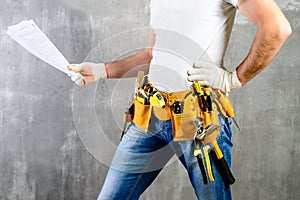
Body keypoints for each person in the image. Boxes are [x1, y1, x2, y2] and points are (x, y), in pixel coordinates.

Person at [68, 0, 292, 199]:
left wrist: (233, 79)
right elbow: (151, 54)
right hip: (151, 114)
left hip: (198, 121)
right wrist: (101, 70)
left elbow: (276, 29)